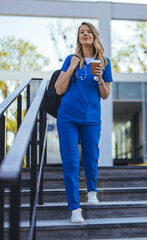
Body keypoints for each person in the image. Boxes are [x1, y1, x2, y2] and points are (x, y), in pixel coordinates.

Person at [55, 22, 113, 223]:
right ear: (79, 37)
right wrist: (71, 66)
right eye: (82, 32)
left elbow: (105, 95)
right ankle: (74, 209)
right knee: (70, 162)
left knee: (90, 157)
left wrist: (98, 78)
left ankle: (91, 191)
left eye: (88, 31)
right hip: (67, 117)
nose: (85, 34)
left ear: (94, 36)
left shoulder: (104, 62)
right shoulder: (71, 60)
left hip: (91, 118)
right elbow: (59, 89)